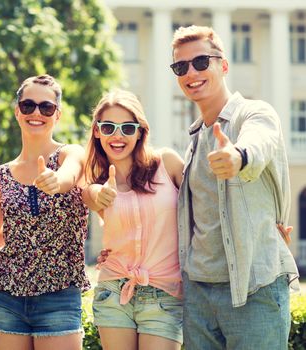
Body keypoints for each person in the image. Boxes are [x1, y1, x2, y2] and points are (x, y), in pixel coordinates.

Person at [170, 25, 299, 349]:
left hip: (254, 288)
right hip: (198, 294)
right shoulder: (195, 138)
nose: (191, 73)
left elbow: (260, 141)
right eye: (180, 66)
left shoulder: (254, 113)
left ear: (223, 65)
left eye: (201, 62)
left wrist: (238, 156)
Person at [0, 74, 90, 350]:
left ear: (57, 115)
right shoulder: (1, 175)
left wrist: (57, 182)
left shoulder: (70, 154)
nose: (36, 113)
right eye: (28, 105)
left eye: (46, 107)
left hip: (59, 294)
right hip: (5, 296)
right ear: (18, 111)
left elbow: (71, 174)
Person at [83, 90, 184, 350]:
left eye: (127, 128)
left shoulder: (168, 163)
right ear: (97, 131)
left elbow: (204, 208)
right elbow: (91, 196)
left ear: (140, 131)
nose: (118, 136)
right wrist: (99, 193)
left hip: (165, 292)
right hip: (114, 291)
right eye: (108, 127)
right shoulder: (96, 180)